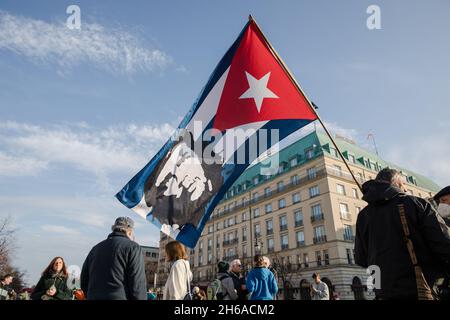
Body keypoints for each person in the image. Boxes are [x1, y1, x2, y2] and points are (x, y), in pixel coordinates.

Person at [355, 168, 450, 300]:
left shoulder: (363, 216)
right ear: (396, 183)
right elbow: (444, 244)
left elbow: (360, 258)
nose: (405, 189)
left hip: (382, 292)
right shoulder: (415, 203)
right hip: (419, 289)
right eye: (404, 184)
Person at [80, 217, 146, 300]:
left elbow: (84, 278)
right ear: (129, 232)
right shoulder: (133, 247)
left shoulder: (96, 248)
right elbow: (137, 283)